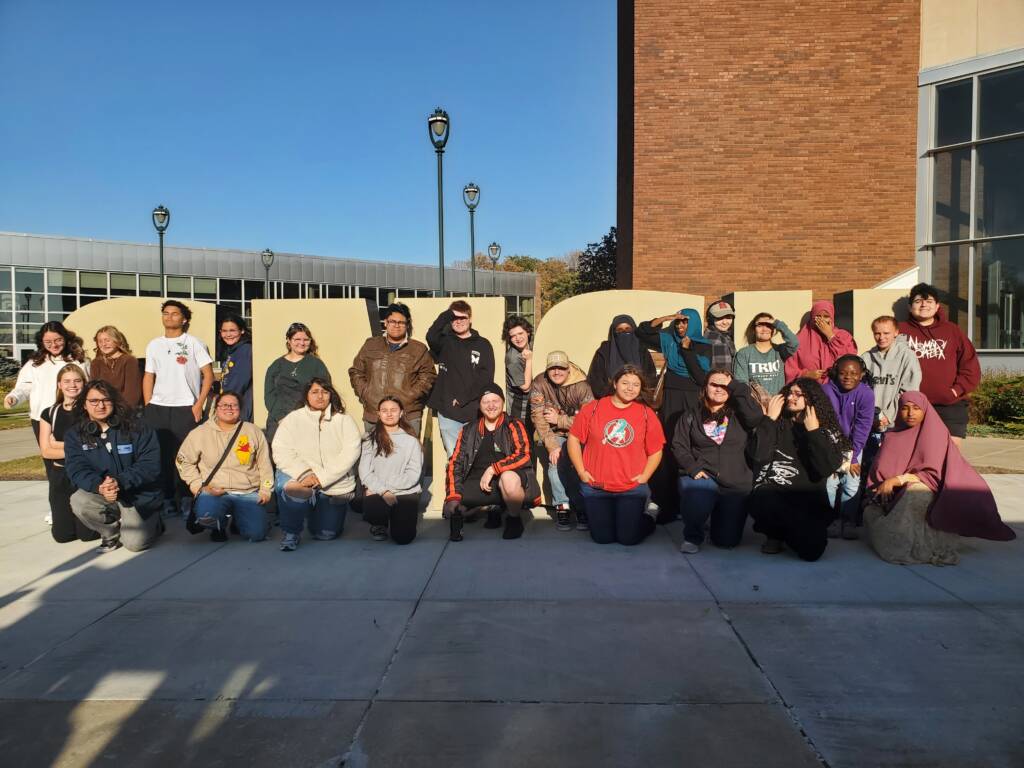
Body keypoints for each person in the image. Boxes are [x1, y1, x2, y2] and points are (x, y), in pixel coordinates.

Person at [863, 392, 1015, 565]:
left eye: (916, 408)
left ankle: (918, 544)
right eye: (905, 408)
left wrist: (899, 479)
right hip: (893, 493)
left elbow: (932, 474)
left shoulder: (935, 434)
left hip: (936, 487)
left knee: (916, 494)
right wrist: (887, 484)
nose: (910, 413)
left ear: (925, 410)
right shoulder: (893, 436)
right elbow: (879, 475)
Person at [748, 378, 846, 561]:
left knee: (811, 552)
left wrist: (814, 432)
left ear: (811, 399)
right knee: (763, 498)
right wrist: (769, 419)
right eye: (790, 393)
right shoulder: (777, 421)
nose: (792, 398)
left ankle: (786, 532)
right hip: (776, 491)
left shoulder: (823, 428)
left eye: (799, 394)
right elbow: (756, 455)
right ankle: (774, 534)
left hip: (808, 498)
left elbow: (825, 469)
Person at [568, 364, 666, 546]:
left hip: (630, 488)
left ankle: (649, 515)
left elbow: (656, 450)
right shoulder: (593, 408)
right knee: (602, 538)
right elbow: (573, 439)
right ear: (615, 384)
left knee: (627, 538)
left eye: (635, 385)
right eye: (625, 383)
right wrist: (582, 472)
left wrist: (644, 477)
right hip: (596, 486)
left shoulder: (646, 414)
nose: (630, 388)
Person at [63, 380, 163, 553]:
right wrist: (99, 486)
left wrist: (120, 481)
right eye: (94, 401)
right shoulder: (75, 434)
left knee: (134, 544)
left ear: (114, 402)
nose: (100, 405)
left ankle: (155, 523)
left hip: (137, 495)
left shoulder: (138, 428)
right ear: (84, 405)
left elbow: (149, 465)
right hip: (103, 492)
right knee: (79, 500)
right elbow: (76, 468)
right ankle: (110, 534)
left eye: (106, 400)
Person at [671, 368, 764, 553]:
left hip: (735, 479)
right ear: (705, 387)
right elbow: (678, 446)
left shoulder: (741, 414)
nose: (719, 389)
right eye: (714, 384)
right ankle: (693, 535)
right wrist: (693, 467)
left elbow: (756, 417)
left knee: (726, 541)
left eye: (725, 385)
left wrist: (735, 385)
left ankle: (716, 519)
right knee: (698, 495)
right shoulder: (690, 415)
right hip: (704, 475)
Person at [636, 308, 712, 519]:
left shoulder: (704, 346)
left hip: (693, 401)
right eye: (678, 323)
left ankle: (692, 502)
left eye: (685, 322)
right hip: (670, 401)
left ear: (694, 323)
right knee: (668, 449)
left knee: (690, 447)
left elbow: (700, 377)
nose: (680, 326)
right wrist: (668, 317)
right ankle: (668, 506)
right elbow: (642, 332)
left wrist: (687, 351)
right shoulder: (668, 340)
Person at [142, 300, 214, 517]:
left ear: (184, 319)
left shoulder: (194, 343)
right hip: (159, 408)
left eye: (175, 314)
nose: (169, 317)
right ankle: (166, 499)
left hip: (186, 408)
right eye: (166, 313)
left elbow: (208, 375)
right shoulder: (154, 344)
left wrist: (199, 404)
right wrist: (148, 405)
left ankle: (185, 497)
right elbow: (148, 376)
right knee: (161, 455)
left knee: (185, 456)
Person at [272, 378, 361, 551]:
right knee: (291, 489)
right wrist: (304, 473)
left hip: (332, 483)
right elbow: (281, 450)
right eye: (314, 392)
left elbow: (350, 453)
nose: (320, 396)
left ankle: (313, 508)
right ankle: (291, 532)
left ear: (331, 395)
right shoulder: (293, 418)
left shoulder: (344, 420)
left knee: (325, 534)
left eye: (325, 392)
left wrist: (322, 478)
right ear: (306, 395)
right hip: (300, 476)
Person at [444, 383, 539, 542]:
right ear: (480, 406)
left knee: (508, 478)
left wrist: (493, 469)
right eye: (486, 402)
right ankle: (492, 508)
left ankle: (514, 519)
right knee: (452, 509)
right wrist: (453, 496)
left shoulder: (514, 425)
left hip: (508, 479)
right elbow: (456, 463)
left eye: (495, 400)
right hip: (480, 482)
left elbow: (524, 455)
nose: (491, 405)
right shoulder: (469, 429)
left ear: (502, 402)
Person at [175, 390, 274, 543]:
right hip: (214, 491)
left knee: (257, 534)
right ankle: (217, 527)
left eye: (234, 405)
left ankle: (238, 520)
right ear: (216, 408)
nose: (229, 408)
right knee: (205, 514)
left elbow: (265, 464)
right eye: (224, 405)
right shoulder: (200, 433)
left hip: (247, 492)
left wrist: (266, 490)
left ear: (240, 409)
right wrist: (197, 485)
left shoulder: (253, 431)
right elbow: (183, 461)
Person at [898, 283, 980, 446]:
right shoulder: (899, 331)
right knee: (914, 451)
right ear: (910, 307)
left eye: (928, 301)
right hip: (912, 406)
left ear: (937, 307)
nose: (923, 304)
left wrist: (956, 391)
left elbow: (970, 366)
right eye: (918, 301)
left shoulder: (952, 331)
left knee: (950, 450)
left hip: (949, 404)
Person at [349, 303, 435, 437]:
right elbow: (356, 371)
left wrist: (410, 397)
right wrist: (366, 393)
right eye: (393, 321)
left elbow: (428, 377)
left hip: (408, 415)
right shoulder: (370, 344)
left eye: (401, 322)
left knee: (408, 456)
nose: (396, 325)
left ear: (407, 325)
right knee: (376, 456)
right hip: (374, 413)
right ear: (385, 323)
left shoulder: (419, 349)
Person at [529, 350, 593, 531]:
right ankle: (562, 507)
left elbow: (588, 421)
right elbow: (538, 417)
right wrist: (552, 446)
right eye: (552, 368)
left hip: (580, 434)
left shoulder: (582, 386)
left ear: (568, 368)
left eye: (561, 368)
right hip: (554, 434)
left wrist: (560, 420)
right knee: (555, 464)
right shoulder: (540, 383)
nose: (557, 372)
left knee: (580, 465)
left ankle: (581, 508)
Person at [38, 364, 98, 543]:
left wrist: (58, 444)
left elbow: (95, 447)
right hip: (61, 476)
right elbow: (46, 452)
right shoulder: (49, 413)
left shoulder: (90, 411)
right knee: (63, 536)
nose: (72, 385)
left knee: (87, 536)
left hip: (84, 475)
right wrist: (78, 447)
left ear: (84, 384)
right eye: (67, 381)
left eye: (77, 380)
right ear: (59, 385)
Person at [426, 301, 495, 456]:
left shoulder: (483, 344)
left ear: (470, 319)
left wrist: (463, 398)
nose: (458, 321)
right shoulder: (445, 341)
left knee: (474, 456)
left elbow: (485, 378)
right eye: (454, 318)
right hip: (448, 412)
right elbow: (431, 336)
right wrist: (448, 314)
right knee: (454, 456)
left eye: (463, 318)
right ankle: (456, 481)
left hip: (474, 411)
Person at [4, 321, 89, 439]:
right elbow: (25, 386)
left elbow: (88, 388)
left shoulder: (79, 361)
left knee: (72, 454)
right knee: (48, 454)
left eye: (58, 340)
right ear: (42, 342)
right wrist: (14, 397)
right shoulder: (34, 363)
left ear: (65, 338)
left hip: (71, 416)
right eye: (48, 342)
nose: (54, 345)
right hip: (41, 418)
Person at [359, 396, 424, 545]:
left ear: (401, 413)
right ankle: (379, 523)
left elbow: (413, 475)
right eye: (384, 410)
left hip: (404, 492)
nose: (389, 414)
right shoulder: (370, 438)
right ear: (378, 414)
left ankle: (396, 517)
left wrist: (386, 488)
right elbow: (364, 471)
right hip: (379, 492)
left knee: (403, 538)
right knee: (374, 508)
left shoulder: (411, 441)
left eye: (393, 410)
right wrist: (383, 492)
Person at [823, 355, 875, 539]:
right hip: (830, 444)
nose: (848, 377)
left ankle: (848, 520)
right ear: (836, 373)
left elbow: (862, 428)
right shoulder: (826, 390)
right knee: (830, 483)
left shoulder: (866, 394)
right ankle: (829, 520)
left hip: (854, 446)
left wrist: (851, 458)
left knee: (851, 484)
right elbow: (826, 425)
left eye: (853, 373)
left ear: (861, 375)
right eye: (843, 373)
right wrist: (836, 458)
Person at [861, 315, 922, 469]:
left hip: (895, 424)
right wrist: (870, 417)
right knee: (869, 466)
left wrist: (888, 416)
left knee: (891, 467)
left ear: (896, 332)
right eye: (877, 333)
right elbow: (860, 391)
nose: (881, 337)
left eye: (886, 333)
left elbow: (909, 391)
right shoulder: (866, 358)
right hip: (870, 424)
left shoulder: (907, 356)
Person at [264, 322, 331, 442]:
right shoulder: (276, 366)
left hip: (306, 420)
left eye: (306, 339)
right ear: (289, 340)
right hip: (278, 421)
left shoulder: (316, 364)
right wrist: (281, 418)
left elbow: (325, 391)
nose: (302, 343)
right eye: (297, 339)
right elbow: (269, 395)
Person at [783, 300, 857, 384]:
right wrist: (806, 374)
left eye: (826, 316)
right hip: (809, 390)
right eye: (818, 316)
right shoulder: (800, 339)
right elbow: (790, 368)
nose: (822, 320)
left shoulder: (843, 336)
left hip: (836, 389)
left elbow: (849, 359)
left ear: (831, 318)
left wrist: (830, 335)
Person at [588, 315, 657, 399]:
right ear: (614, 333)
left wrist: (638, 395)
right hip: (610, 399)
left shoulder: (641, 350)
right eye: (619, 330)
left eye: (628, 329)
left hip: (638, 399)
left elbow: (650, 377)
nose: (624, 332)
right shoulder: (605, 351)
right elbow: (596, 379)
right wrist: (612, 397)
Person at [733, 313, 799, 397]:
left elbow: (794, 343)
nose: (764, 329)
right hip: (755, 405)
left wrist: (778, 324)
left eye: (769, 325)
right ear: (754, 329)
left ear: (774, 330)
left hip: (778, 403)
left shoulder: (780, 350)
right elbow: (741, 382)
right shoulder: (744, 353)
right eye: (760, 325)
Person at [90, 326, 142, 409]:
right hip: (101, 409)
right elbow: (94, 390)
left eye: (107, 340)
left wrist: (120, 411)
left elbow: (132, 393)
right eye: (100, 341)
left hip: (123, 410)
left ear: (117, 341)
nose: (104, 344)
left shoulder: (129, 360)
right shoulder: (96, 363)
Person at [217, 314, 254, 422]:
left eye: (232, 330)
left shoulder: (245, 349)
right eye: (224, 331)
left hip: (238, 408)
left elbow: (239, 382)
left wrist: (224, 403)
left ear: (241, 331)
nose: (228, 334)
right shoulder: (229, 350)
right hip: (231, 405)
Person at [502, 315, 534, 421]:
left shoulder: (532, 345)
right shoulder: (513, 358)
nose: (518, 338)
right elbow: (525, 387)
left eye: (520, 333)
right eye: (513, 336)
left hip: (533, 401)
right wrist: (529, 360)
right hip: (520, 406)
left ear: (528, 332)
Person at [705, 300, 737, 369]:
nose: (725, 322)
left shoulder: (724, 335)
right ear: (711, 320)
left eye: (728, 317)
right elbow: (723, 370)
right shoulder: (716, 340)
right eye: (719, 318)